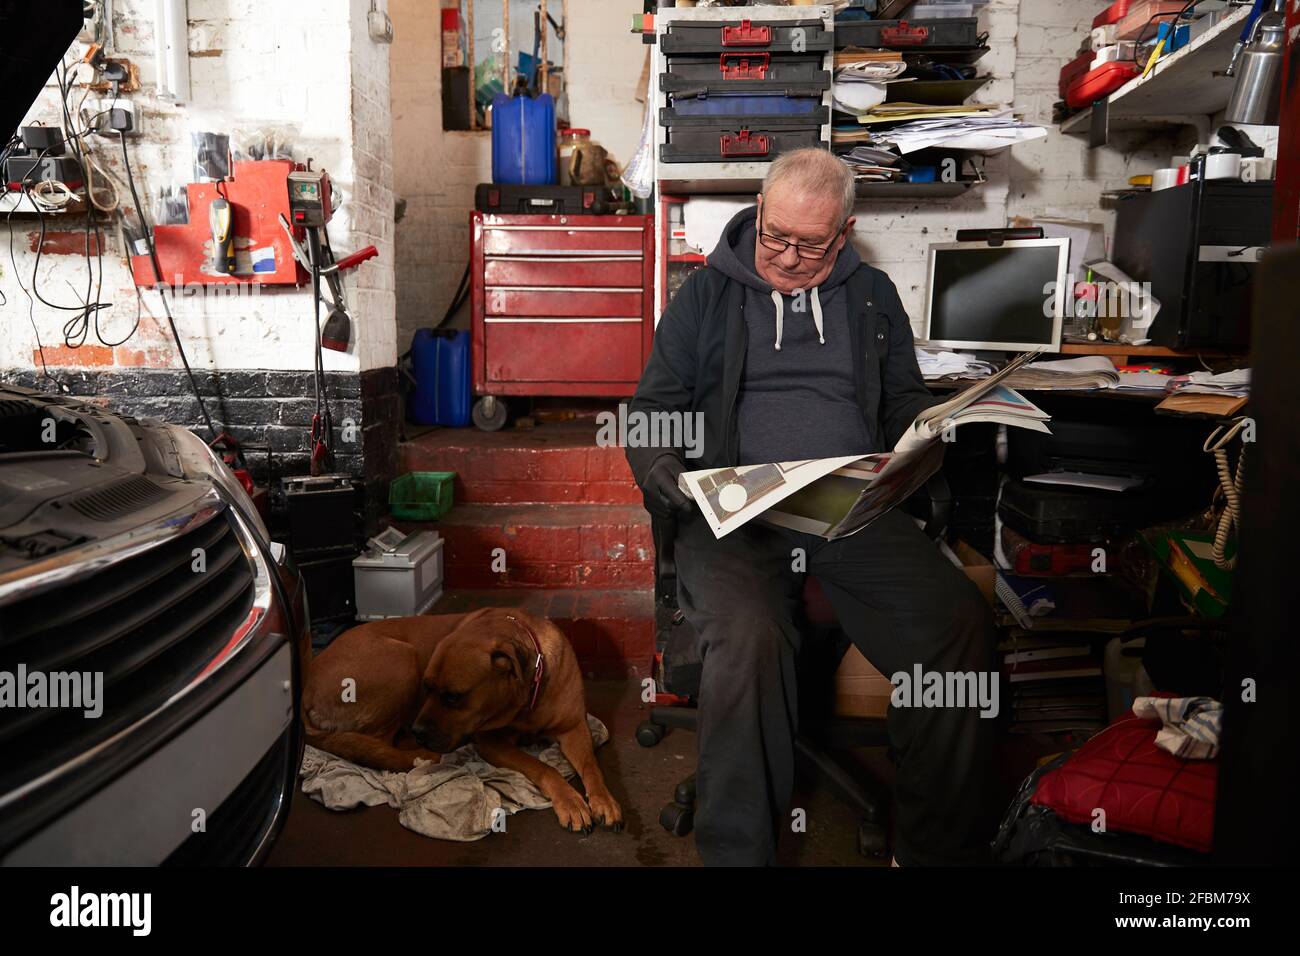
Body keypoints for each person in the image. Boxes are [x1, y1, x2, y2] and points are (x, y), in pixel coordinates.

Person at [625, 148, 999, 866]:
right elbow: (650, 412)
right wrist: (669, 475)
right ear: (759, 213)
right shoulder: (704, 296)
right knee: (749, 638)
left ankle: (931, 851)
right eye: (776, 237)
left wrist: (926, 428)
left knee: (959, 625)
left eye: (811, 244)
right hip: (736, 513)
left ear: (845, 230)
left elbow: (900, 399)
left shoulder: (872, 295)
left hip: (847, 510)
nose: (789, 258)